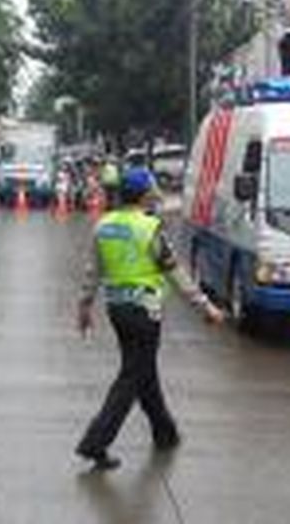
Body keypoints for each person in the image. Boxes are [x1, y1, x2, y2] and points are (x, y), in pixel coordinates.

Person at [76, 167, 224, 471]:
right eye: (153, 189)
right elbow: (174, 271)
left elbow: (93, 271)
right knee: (132, 376)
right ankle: (95, 443)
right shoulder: (149, 227)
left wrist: (85, 306)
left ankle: (165, 432)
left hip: (117, 309)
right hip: (144, 311)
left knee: (143, 370)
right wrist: (205, 306)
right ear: (145, 194)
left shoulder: (104, 225)